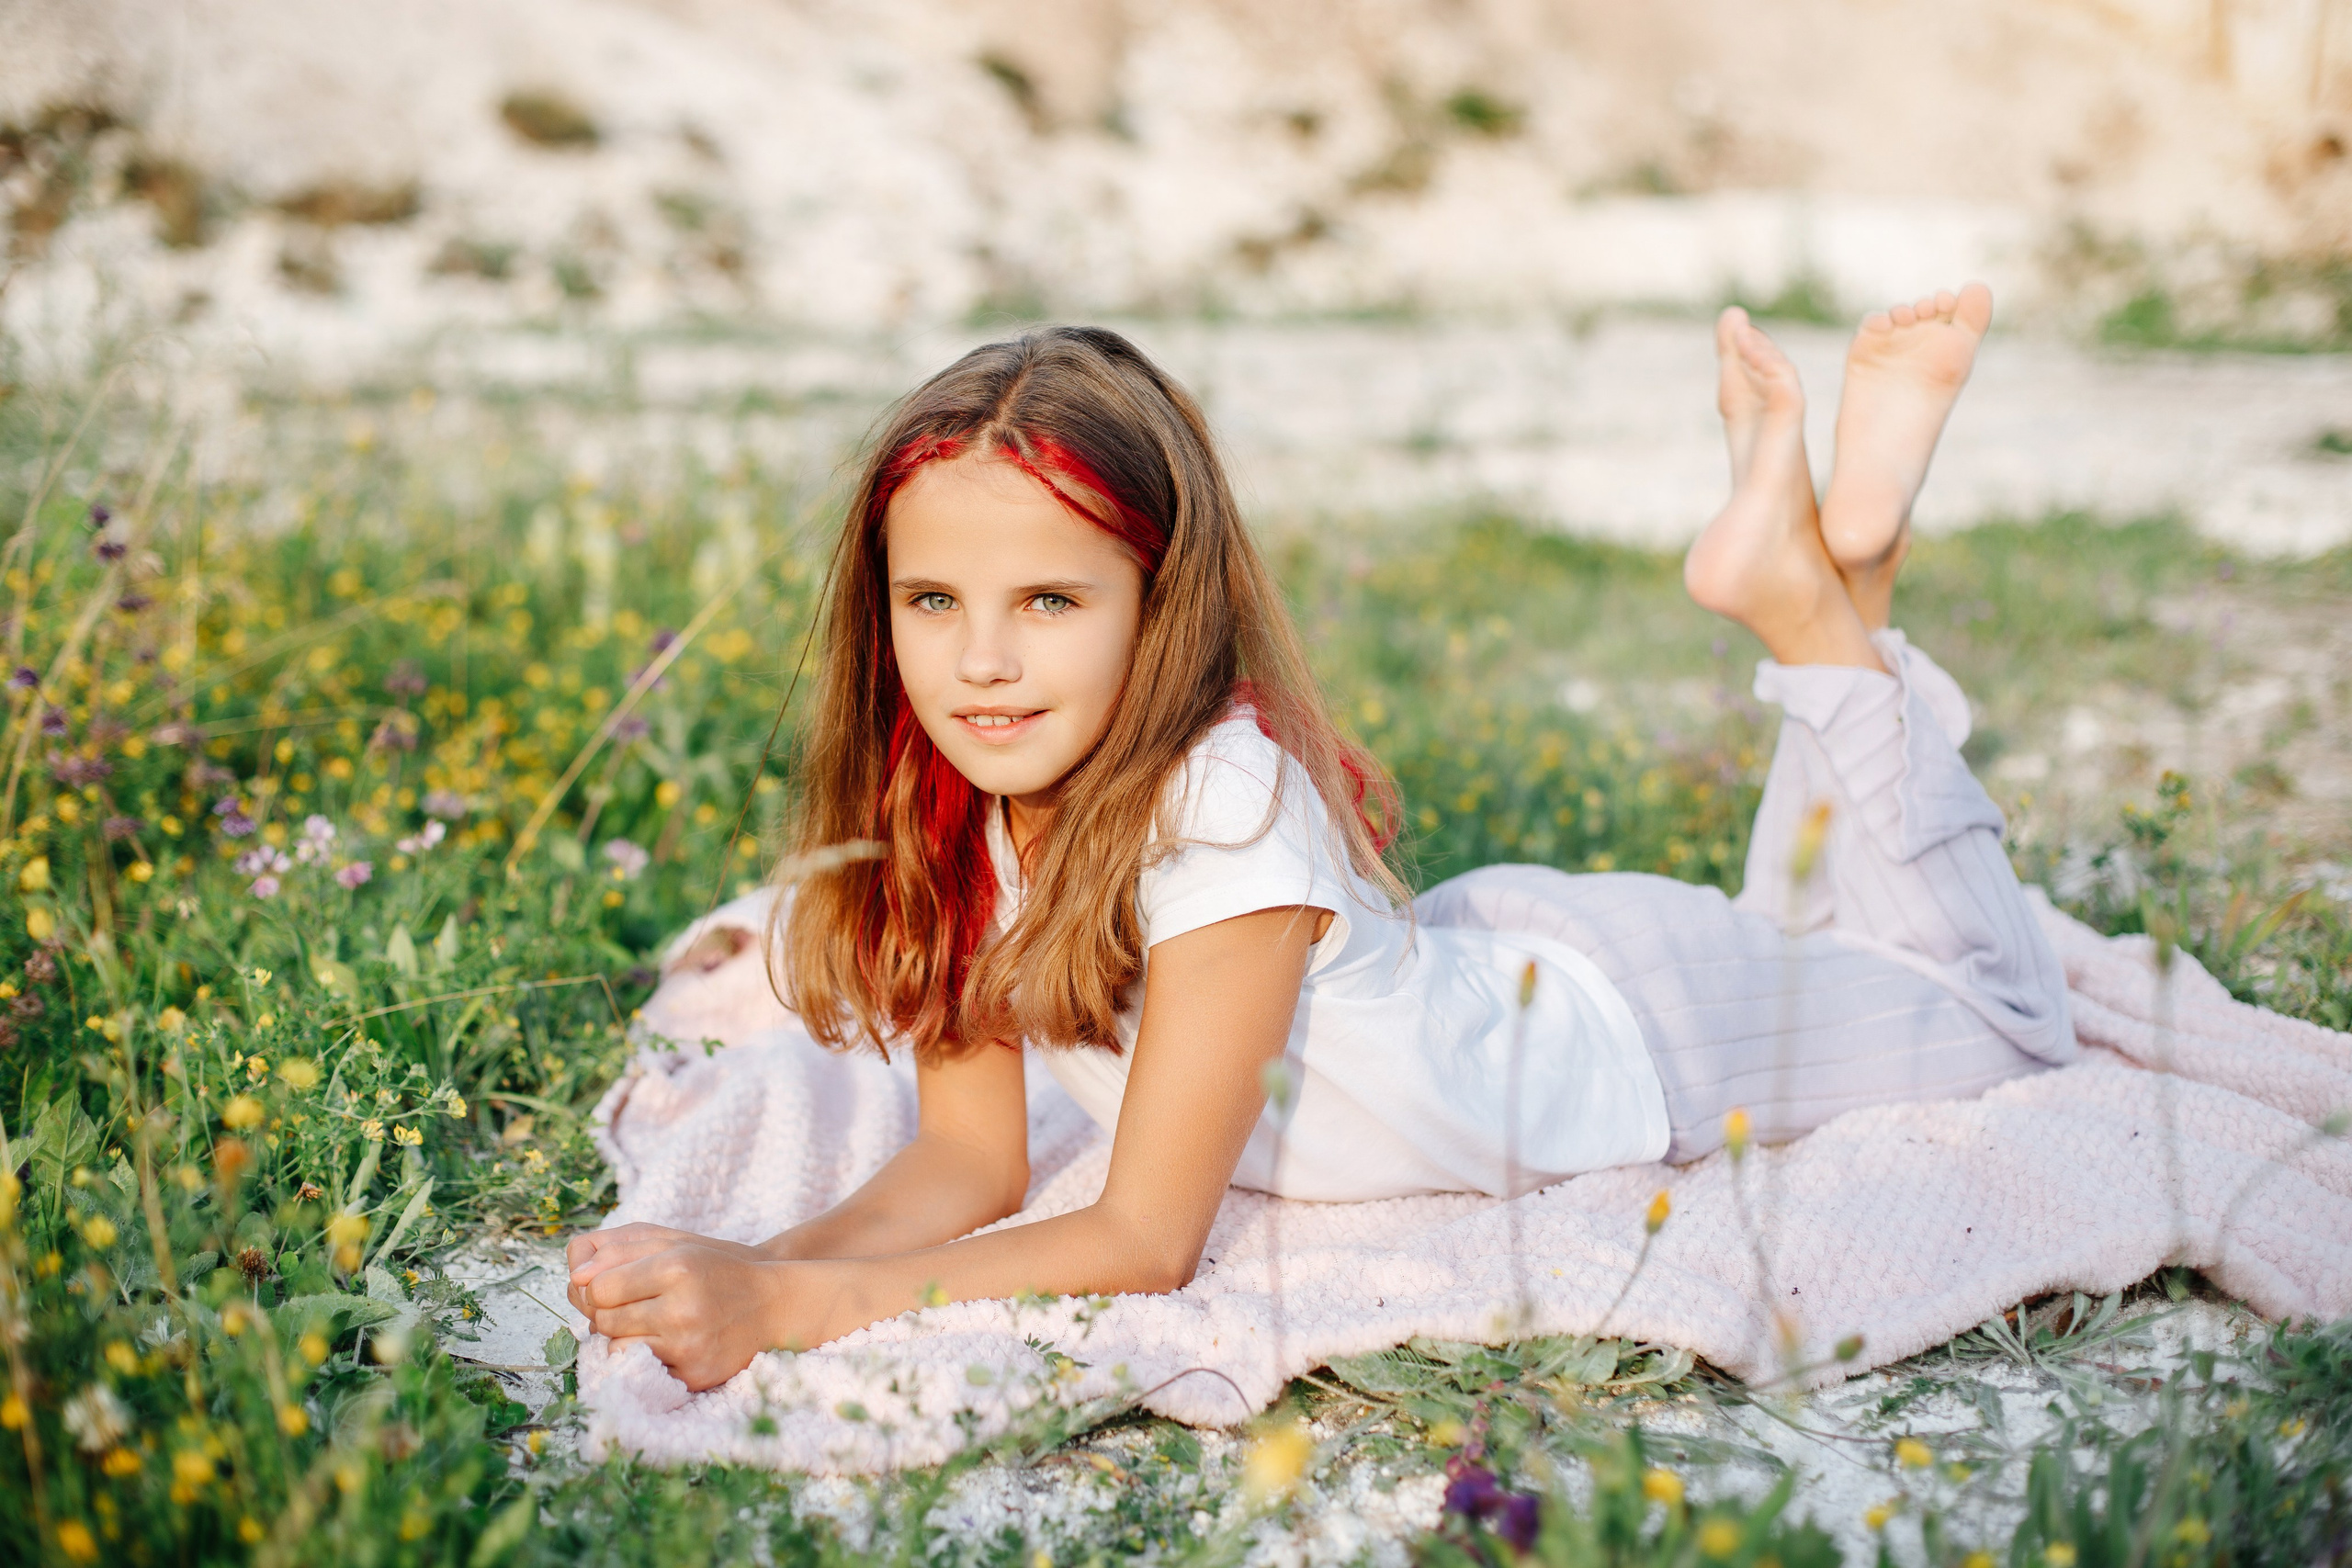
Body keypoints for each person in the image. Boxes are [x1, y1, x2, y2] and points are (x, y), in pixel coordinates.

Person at [566, 287, 2075, 1391]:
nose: (982, 665)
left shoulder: (1217, 808)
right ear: (879, 606)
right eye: (934, 603)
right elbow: (968, 1159)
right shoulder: (948, 817)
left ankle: (1826, 592)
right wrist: (766, 1270)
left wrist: (789, 1314)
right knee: (1834, 922)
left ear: (1163, 607)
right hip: (1503, 974)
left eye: (1051, 602)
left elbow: (1146, 1235)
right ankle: (1850, 567)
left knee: (2003, 1019)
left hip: (1641, 1041)